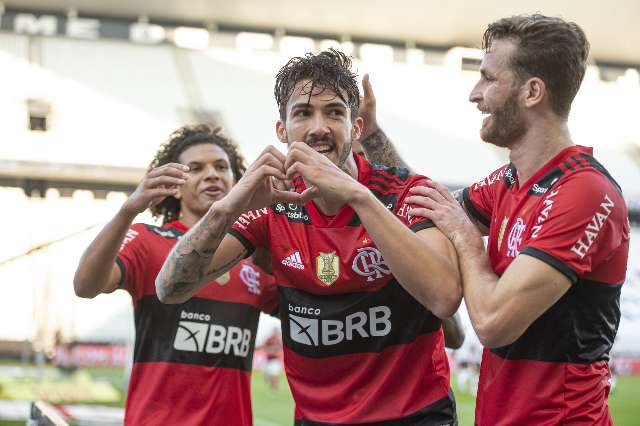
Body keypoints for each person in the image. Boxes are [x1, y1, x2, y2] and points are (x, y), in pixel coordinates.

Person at [156, 49, 462, 424]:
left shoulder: (406, 190)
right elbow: (169, 289)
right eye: (303, 113)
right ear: (282, 131)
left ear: (356, 127)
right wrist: (227, 206)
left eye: (334, 112)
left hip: (415, 417)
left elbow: (445, 297)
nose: (319, 127)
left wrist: (357, 196)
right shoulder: (273, 202)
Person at [386, 14, 628, 425]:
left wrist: (464, 237)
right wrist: (373, 140)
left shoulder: (584, 192)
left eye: (488, 79)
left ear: (533, 91)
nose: (474, 94)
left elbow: (495, 323)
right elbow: (425, 204)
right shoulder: (510, 181)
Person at [73, 124, 278, 426]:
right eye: (195, 168)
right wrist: (128, 210)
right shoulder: (146, 239)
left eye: (222, 167)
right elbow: (85, 285)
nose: (212, 174)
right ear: (175, 186)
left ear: (236, 181)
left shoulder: (249, 253)